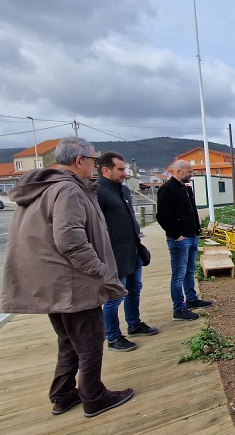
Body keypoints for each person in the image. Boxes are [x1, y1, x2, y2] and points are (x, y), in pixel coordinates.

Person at [1, 137, 134, 418]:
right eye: (94, 161)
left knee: (68, 342)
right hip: (72, 283)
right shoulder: (68, 190)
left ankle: (62, 395)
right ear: (79, 161)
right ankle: (94, 397)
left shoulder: (42, 188)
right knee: (89, 342)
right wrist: (100, 271)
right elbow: (70, 239)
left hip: (50, 282)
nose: (94, 166)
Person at [96, 152, 160, 352]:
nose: (125, 173)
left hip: (133, 251)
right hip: (113, 255)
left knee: (134, 290)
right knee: (115, 298)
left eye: (125, 169)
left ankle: (134, 324)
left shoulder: (123, 191)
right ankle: (113, 337)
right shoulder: (98, 192)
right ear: (106, 170)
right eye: (121, 169)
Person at [156, 160, 213, 321]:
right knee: (178, 274)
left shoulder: (186, 189)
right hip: (180, 239)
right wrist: (177, 235)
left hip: (192, 236)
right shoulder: (167, 189)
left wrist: (197, 231)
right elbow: (162, 216)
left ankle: (191, 299)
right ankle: (178, 308)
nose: (191, 174)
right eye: (189, 172)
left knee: (189, 271)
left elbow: (192, 211)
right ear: (178, 171)